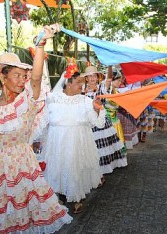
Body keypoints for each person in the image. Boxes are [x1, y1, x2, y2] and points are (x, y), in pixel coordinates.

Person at [0, 24, 73, 233]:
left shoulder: (26, 102)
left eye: (23, 75)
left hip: (20, 167)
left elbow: (35, 79)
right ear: (2, 77)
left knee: (21, 214)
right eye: (17, 75)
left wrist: (41, 45)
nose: (22, 80)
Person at [41, 71, 105, 214]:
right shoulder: (52, 99)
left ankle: (78, 199)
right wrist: (41, 140)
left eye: (82, 83)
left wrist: (97, 110)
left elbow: (98, 123)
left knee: (75, 167)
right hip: (57, 143)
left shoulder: (86, 101)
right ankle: (61, 195)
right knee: (59, 167)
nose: (82, 86)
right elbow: (44, 121)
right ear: (68, 84)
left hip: (78, 142)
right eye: (78, 83)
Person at [82, 65, 127, 179]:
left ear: (97, 77)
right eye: (89, 76)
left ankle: (99, 174)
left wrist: (110, 65)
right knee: (89, 147)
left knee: (100, 148)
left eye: (94, 76)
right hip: (87, 121)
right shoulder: (81, 89)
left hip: (100, 121)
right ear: (86, 78)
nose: (92, 78)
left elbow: (109, 79)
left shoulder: (101, 87)